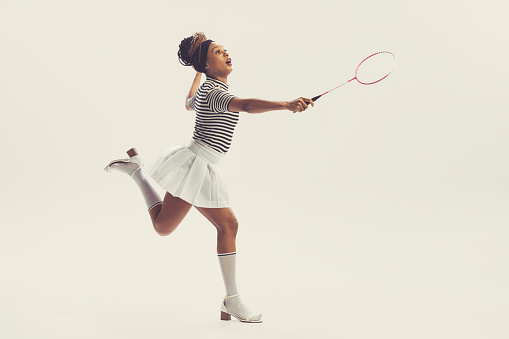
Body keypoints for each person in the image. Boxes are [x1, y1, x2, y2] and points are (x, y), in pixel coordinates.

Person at [104, 32, 313, 323]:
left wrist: (197, 75)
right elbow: (248, 106)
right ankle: (232, 300)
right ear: (207, 65)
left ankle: (232, 300)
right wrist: (287, 105)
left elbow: (188, 101)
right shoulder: (216, 93)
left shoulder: (205, 90)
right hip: (195, 164)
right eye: (217, 52)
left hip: (203, 164)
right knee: (185, 227)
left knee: (209, 226)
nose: (226, 53)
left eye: (224, 49)